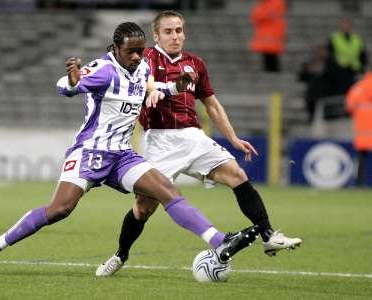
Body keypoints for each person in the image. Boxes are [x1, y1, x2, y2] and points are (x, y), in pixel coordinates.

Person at [0, 22, 259, 274]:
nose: (138, 56)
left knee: (167, 190)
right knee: (60, 209)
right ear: (115, 48)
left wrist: (176, 87)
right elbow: (67, 85)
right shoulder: (103, 69)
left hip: (121, 155)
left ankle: (219, 241)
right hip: (89, 153)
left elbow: (149, 89)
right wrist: (74, 81)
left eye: (141, 50)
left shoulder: (141, 69)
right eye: (131, 51)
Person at [96, 11, 302, 277]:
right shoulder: (143, 59)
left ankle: (268, 235)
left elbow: (212, 105)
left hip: (194, 137)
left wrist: (233, 138)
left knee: (237, 175)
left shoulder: (196, 63)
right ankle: (120, 256)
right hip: (160, 139)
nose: (175, 36)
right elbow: (136, 82)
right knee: (143, 208)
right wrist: (153, 89)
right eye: (168, 31)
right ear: (156, 35)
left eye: (179, 30)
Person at [325, 17, 368, 96]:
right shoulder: (334, 38)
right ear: (340, 26)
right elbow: (330, 54)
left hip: (354, 70)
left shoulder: (357, 39)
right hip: (339, 70)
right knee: (341, 92)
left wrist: (362, 68)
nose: (346, 27)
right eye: (344, 24)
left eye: (348, 24)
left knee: (354, 92)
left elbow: (363, 55)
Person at [346, 70, 372, 186]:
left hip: (363, 131)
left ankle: (359, 183)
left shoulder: (358, 88)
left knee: (362, 159)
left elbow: (349, 106)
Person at [249, 0, 287, 72]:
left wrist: (260, 16)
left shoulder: (276, 3)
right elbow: (255, 16)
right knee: (268, 57)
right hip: (267, 35)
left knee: (272, 57)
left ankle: (272, 72)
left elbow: (263, 15)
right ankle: (270, 71)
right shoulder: (264, 4)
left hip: (272, 34)